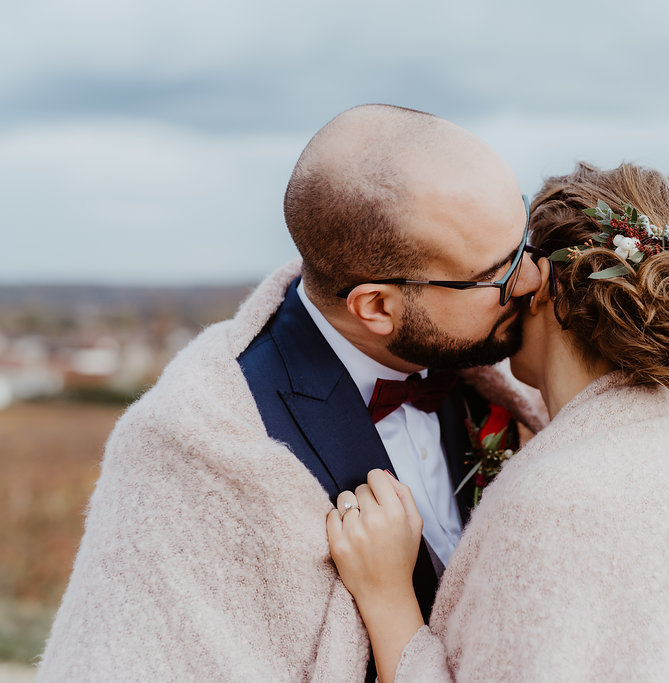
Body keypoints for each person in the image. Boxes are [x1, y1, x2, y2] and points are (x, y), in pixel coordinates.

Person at [37, 104, 547, 682]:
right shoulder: (188, 448)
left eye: (524, 234)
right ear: (377, 306)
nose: (531, 279)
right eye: (496, 273)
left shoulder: (503, 387)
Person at [326, 162, 669, 682]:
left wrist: (387, 595)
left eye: (515, 263)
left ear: (543, 283)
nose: (510, 282)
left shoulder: (558, 498)